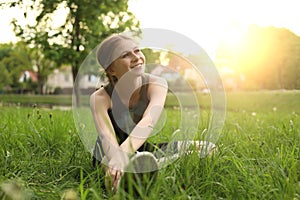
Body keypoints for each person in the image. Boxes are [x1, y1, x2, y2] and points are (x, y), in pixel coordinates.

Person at [90, 33, 168, 193]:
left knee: (207, 148)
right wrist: (118, 158)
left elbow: (148, 121)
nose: (135, 57)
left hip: (142, 147)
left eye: (137, 50)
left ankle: (151, 165)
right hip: (110, 151)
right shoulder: (100, 98)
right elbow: (106, 136)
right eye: (125, 55)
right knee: (108, 161)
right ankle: (122, 185)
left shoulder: (157, 84)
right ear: (111, 69)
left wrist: (125, 154)